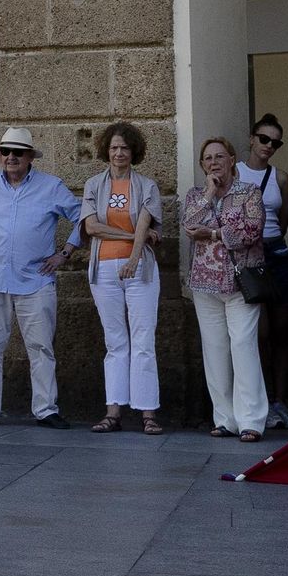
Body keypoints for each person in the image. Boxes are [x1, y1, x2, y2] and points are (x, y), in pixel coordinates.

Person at [0, 127, 81, 429]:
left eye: (18, 152)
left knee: (41, 348)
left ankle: (46, 409)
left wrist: (65, 253)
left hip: (36, 279)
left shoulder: (51, 186)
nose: (11, 157)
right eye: (5, 151)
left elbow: (84, 217)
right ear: (0, 155)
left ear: (30, 157)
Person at [80, 122, 164, 436]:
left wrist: (133, 258)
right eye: (114, 147)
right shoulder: (93, 185)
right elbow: (92, 228)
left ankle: (148, 413)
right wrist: (133, 237)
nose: (119, 153)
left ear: (134, 151)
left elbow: (145, 222)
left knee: (143, 340)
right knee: (114, 341)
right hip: (103, 269)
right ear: (106, 150)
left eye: (125, 148)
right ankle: (113, 412)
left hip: (139, 269)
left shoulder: (146, 186)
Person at [184, 136, 267, 441]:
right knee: (215, 350)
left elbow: (251, 230)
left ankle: (251, 421)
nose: (214, 162)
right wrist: (208, 193)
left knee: (243, 347)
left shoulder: (249, 192)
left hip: (240, 282)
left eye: (220, 156)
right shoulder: (196, 194)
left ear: (232, 160)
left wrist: (213, 234)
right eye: (208, 158)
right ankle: (225, 419)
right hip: (204, 283)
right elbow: (188, 225)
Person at [235, 113, 288, 431]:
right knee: (258, 332)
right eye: (264, 139)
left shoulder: (281, 177)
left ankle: (280, 400)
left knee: (281, 331)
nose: (268, 146)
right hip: (250, 255)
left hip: (277, 252)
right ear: (252, 139)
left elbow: (285, 219)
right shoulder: (235, 172)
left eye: (275, 143)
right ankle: (259, 401)